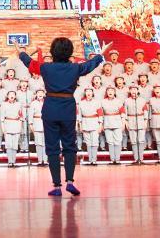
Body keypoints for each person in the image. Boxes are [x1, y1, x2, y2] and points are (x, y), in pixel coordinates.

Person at [18, 38, 109, 197]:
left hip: (51, 108)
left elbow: (29, 63)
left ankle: (57, 186)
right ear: (70, 51)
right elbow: (90, 65)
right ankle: (70, 182)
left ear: (53, 51)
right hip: (68, 108)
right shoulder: (75, 68)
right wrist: (101, 53)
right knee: (69, 146)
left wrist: (21, 52)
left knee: (52, 147)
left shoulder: (46, 67)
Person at [77, 88, 103, 165]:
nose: (88, 93)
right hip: (85, 123)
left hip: (94, 123)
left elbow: (100, 114)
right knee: (88, 142)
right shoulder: (81, 103)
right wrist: (80, 125)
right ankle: (90, 160)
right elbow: (79, 115)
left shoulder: (97, 102)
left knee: (94, 142)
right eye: (87, 91)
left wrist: (100, 124)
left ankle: (94, 160)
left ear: (92, 93)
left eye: (90, 91)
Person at [0, 90, 24, 167]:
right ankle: (10, 161)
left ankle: (14, 161)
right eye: (10, 94)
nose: (12, 95)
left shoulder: (19, 104)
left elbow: (21, 116)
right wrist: (3, 128)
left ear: (15, 96)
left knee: (15, 145)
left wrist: (20, 127)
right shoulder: (4, 104)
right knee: (9, 145)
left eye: (13, 94)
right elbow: (2, 118)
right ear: (7, 96)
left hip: (16, 124)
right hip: (7, 124)